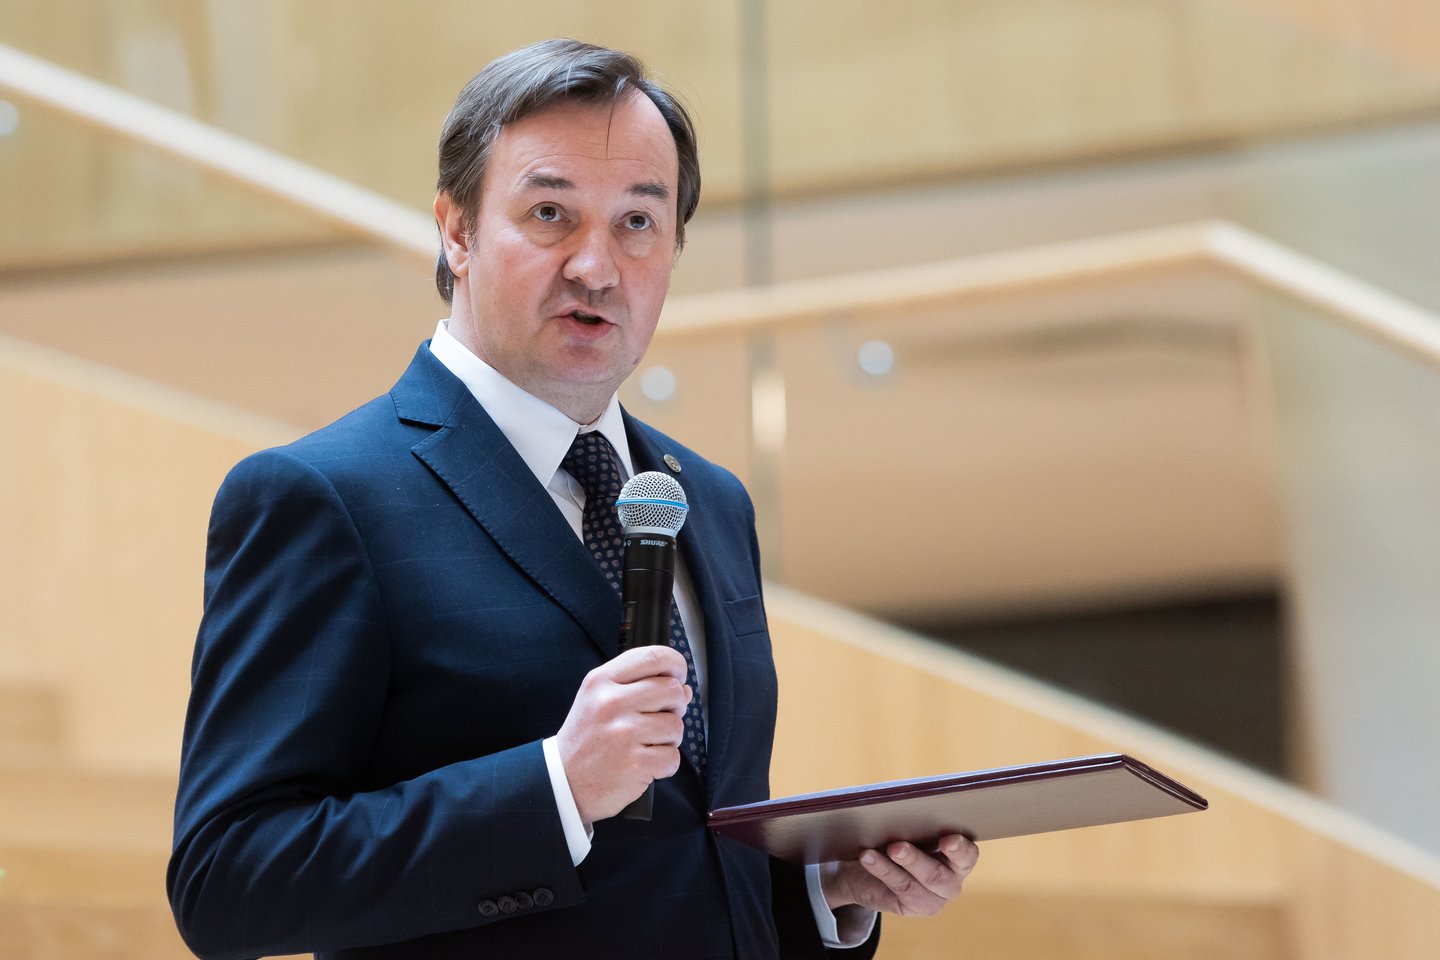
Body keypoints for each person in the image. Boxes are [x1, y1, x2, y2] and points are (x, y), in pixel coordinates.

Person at [168, 39, 978, 960]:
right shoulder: (325, 496)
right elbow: (227, 881)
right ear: (456, 230)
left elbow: (673, 856)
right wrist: (557, 787)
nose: (596, 266)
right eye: (550, 213)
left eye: (638, 222)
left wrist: (822, 890)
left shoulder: (707, 501)